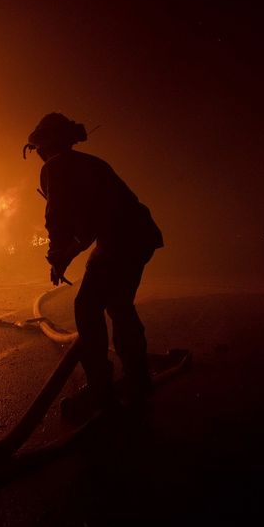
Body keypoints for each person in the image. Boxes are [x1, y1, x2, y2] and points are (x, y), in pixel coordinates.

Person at [24, 112, 164, 412]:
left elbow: (57, 218)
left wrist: (58, 254)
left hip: (120, 239)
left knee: (87, 307)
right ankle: (137, 379)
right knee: (118, 304)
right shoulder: (88, 163)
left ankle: (101, 388)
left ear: (45, 145)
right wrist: (65, 257)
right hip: (137, 235)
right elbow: (88, 229)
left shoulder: (56, 166)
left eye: (38, 149)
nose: (39, 155)